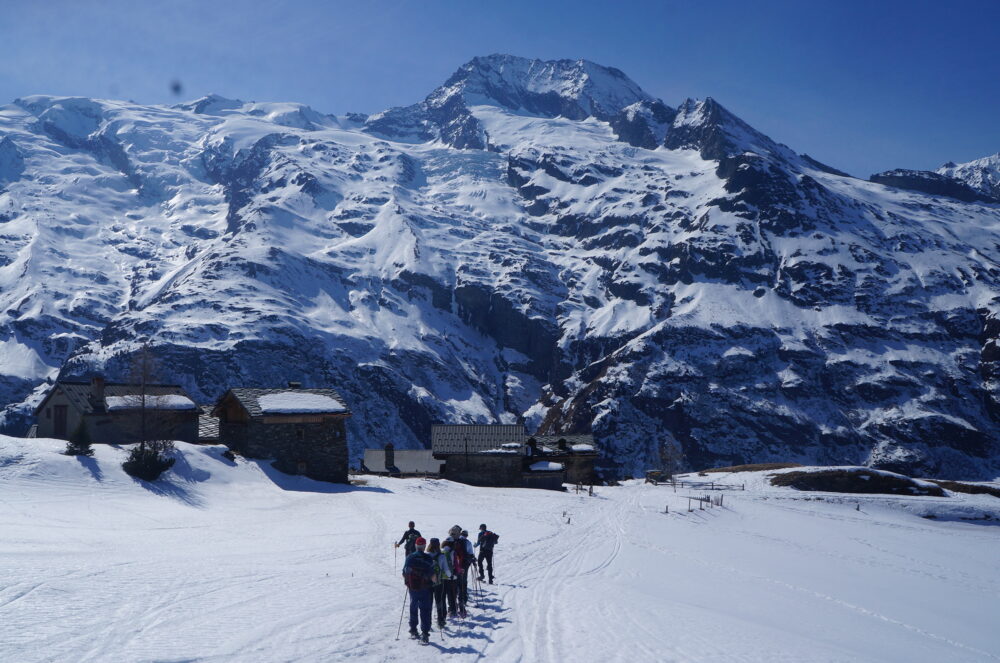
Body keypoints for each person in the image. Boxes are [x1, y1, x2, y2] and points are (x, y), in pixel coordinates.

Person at [401, 536, 435, 644]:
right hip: (425, 588)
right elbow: (432, 575)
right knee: (425, 609)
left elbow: (404, 572)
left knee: (413, 607)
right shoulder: (428, 558)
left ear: (416, 546)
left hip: (413, 588)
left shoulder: (410, 557)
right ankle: (425, 634)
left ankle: (413, 629)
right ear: (424, 546)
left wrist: (408, 582)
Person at [426, 537, 453, 630]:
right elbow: (446, 569)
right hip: (439, 582)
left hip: (428, 583)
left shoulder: (426, 555)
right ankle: (440, 620)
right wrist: (450, 576)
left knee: (429, 602)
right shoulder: (441, 556)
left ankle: (427, 622)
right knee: (439, 601)